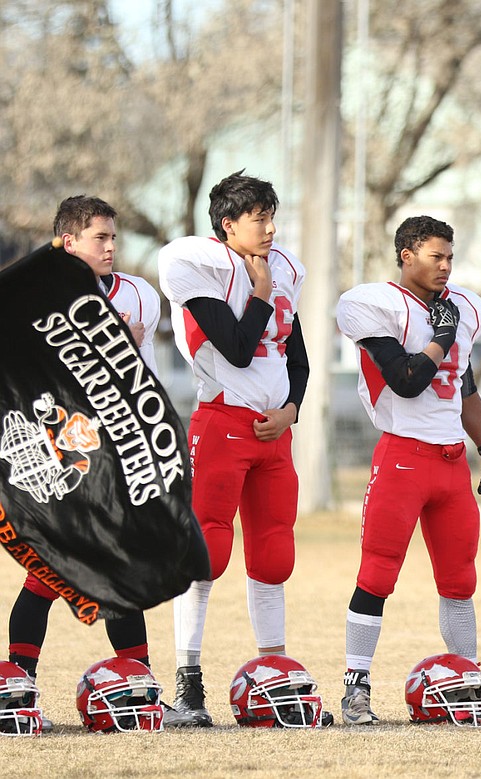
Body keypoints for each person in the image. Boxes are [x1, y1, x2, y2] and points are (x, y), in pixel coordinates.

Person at [5, 195, 198, 728]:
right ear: (67, 243)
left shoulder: (137, 296)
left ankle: (139, 687)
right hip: (56, 456)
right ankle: (16, 688)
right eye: (99, 238)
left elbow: (148, 386)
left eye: (113, 237)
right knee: (44, 575)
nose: (112, 247)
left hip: (115, 457)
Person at [333, 215, 481, 726]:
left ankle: (471, 682)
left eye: (450, 257)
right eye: (435, 256)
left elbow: (464, 386)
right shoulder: (377, 305)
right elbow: (407, 380)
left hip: (450, 463)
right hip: (402, 457)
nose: (446, 266)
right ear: (406, 255)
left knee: (460, 581)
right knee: (377, 575)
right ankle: (356, 688)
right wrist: (439, 338)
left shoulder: (461, 307)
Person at [157, 170, 312, 727]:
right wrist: (262, 295)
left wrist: (291, 410)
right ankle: (187, 682)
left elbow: (298, 358)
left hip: (275, 433)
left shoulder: (285, 267)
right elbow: (239, 348)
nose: (271, 228)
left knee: (274, 555)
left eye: (273, 216)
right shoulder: (199, 265)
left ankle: (274, 674)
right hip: (221, 424)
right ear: (228, 225)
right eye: (259, 218)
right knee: (208, 554)